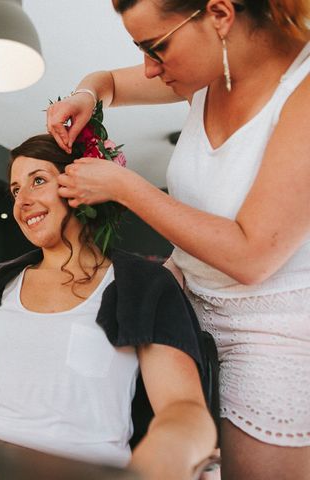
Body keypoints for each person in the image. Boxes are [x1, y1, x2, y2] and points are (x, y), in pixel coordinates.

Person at [46, 1, 310, 478]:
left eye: (157, 48)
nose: (149, 68)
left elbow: (253, 256)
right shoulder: (206, 79)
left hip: (273, 333)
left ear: (220, 15)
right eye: (141, 50)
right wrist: (88, 93)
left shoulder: (303, 92)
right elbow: (107, 81)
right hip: (184, 305)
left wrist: (125, 187)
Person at [0, 134, 216, 480]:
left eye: (38, 181)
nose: (23, 201)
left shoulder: (143, 285)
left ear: (81, 187)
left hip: (78, 468)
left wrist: (160, 463)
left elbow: (183, 409)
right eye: (16, 190)